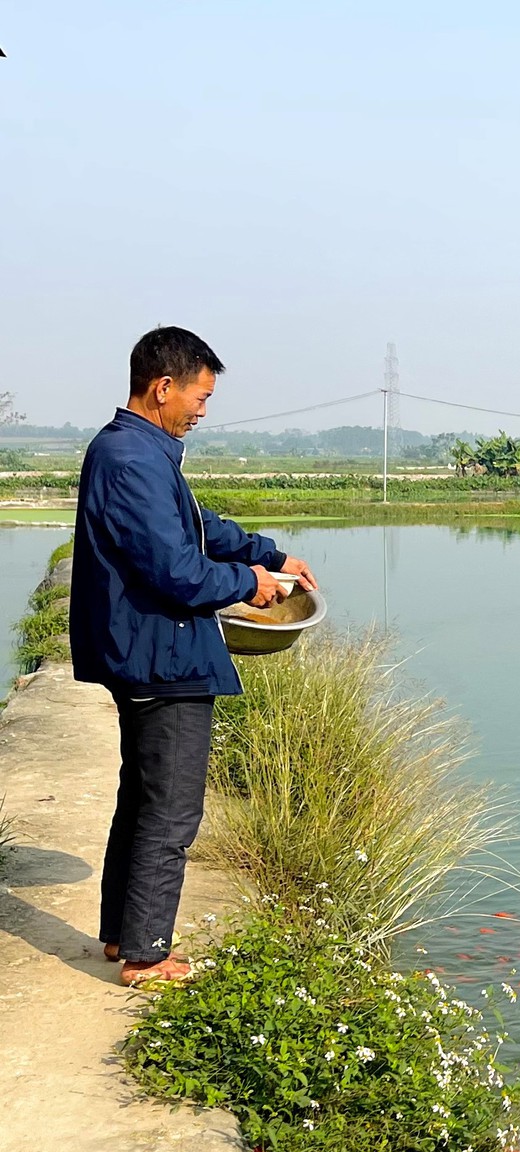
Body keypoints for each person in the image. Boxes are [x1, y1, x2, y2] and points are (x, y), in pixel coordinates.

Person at [69, 326, 318, 984]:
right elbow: (176, 571)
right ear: (163, 387)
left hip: (146, 649)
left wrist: (266, 553)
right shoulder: (133, 459)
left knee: (144, 796)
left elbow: (198, 526)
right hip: (161, 655)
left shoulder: (139, 451)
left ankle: (124, 936)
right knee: (172, 806)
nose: (202, 412)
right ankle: (148, 952)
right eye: (200, 398)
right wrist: (252, 584)